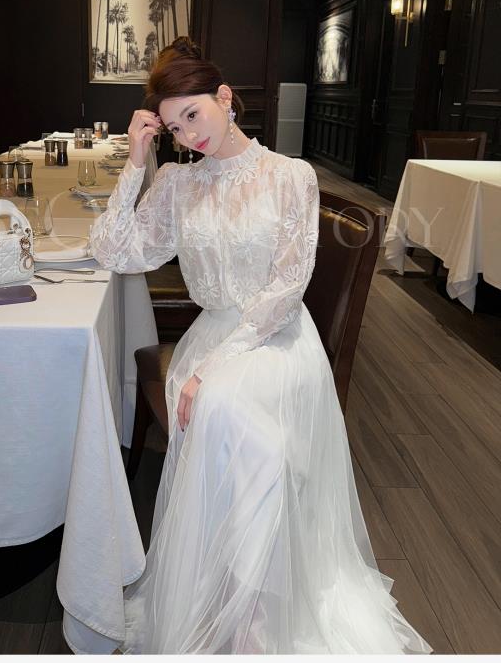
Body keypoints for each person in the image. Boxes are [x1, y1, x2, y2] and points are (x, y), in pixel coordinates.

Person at [89, 37, 433, 655]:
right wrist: (135, 163)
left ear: (224, 97)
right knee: (248, 435)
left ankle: (250, 606)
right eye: (173, 127)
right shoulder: (175, 182)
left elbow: (287, 287)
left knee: (227, 411)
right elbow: (117, 252)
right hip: (210, 338)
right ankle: (238, 600)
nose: (187, 134)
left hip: (276, 339)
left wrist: (215, 367)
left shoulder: (290, 176)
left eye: (193, 113)